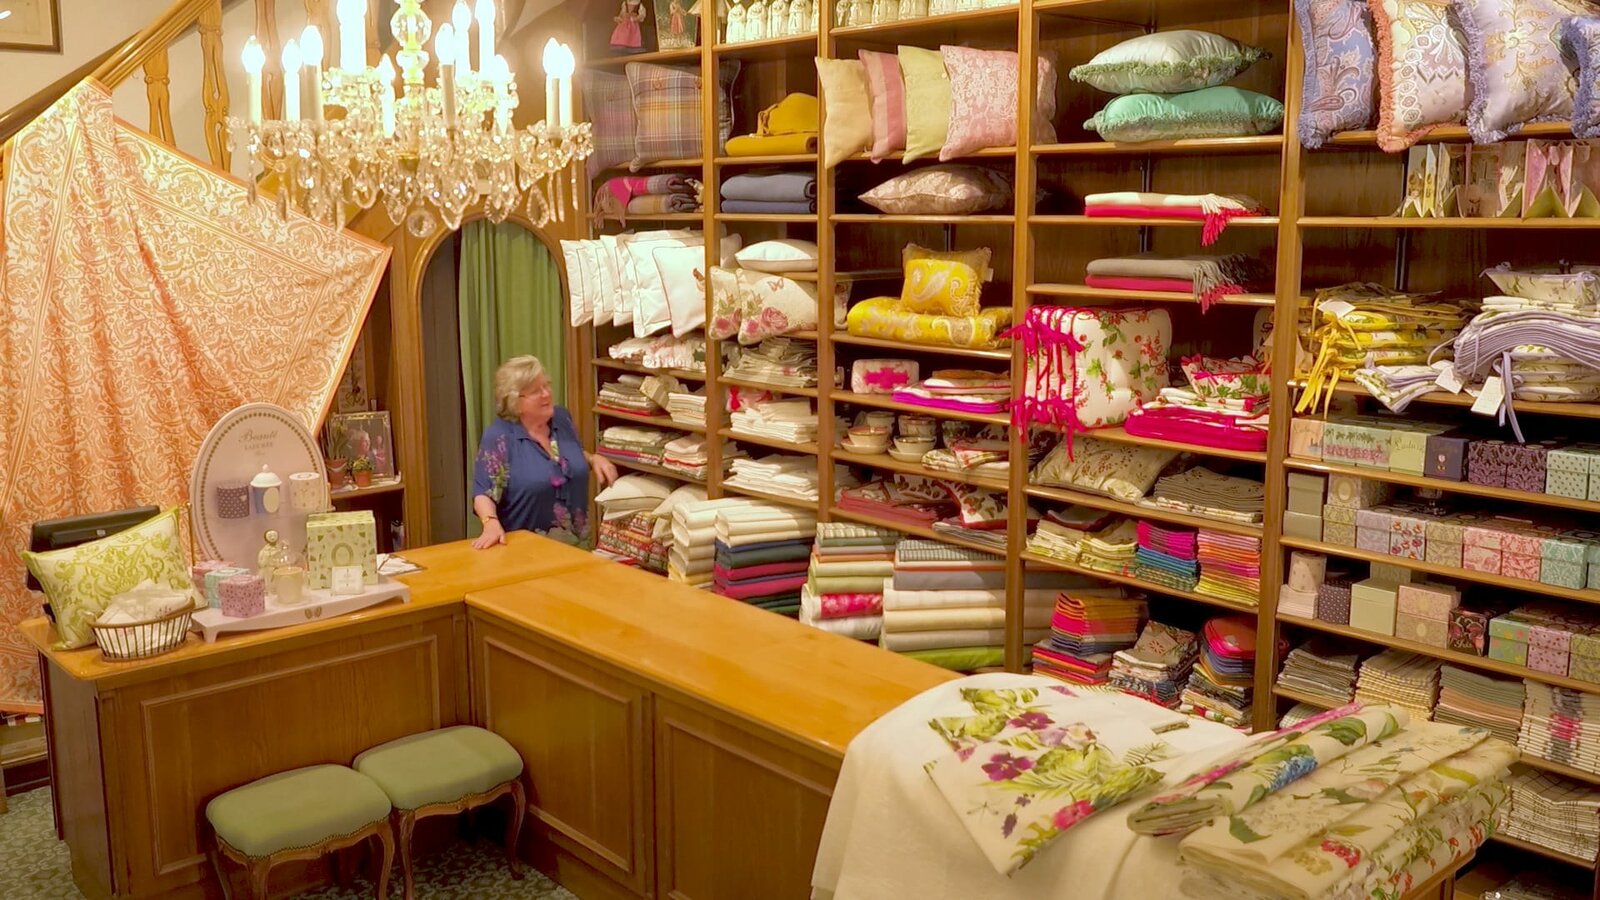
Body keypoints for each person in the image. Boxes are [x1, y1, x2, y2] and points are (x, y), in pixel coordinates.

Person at [471, 356, 618, 549]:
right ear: (514, 401)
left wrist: (592, 459)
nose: (546, 393)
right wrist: (490, 522)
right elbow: (484, 492)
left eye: (547, 385)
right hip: (526, 552)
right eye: (535, 391)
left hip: (579, 550)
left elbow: (561, 459)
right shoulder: (500, 437)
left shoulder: (561, 419)